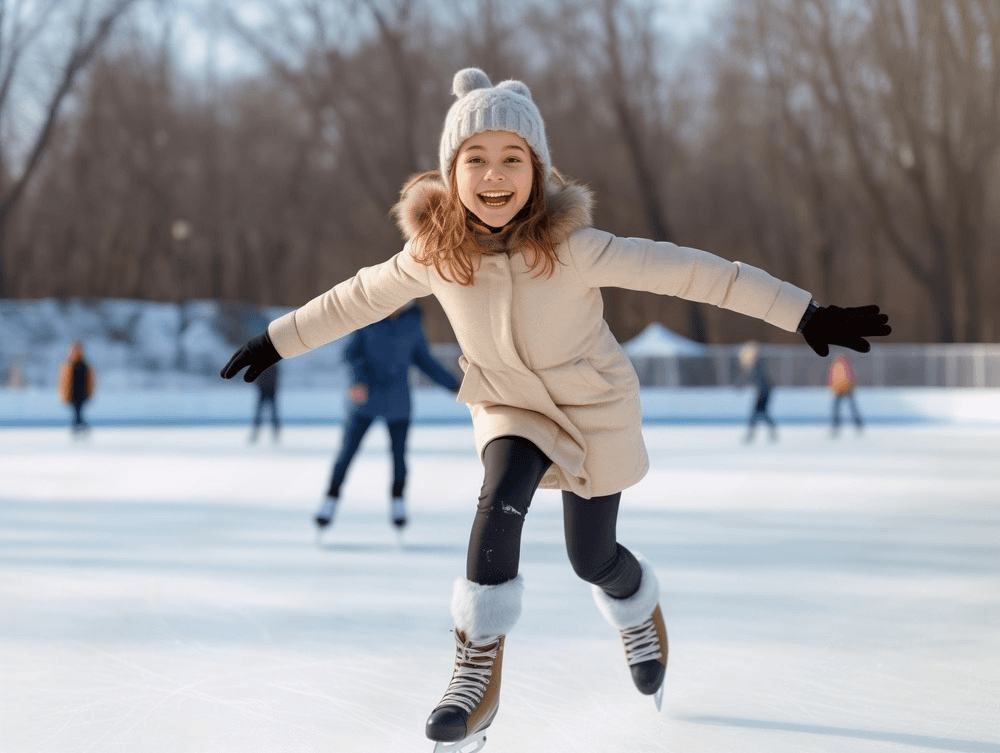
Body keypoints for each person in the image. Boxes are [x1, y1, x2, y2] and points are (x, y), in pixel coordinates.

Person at [221, 68, 891, 750]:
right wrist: (277, 340)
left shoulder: (575, 247)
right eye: (475, 159)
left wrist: (805, 312)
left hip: (592, 406)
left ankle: (637, 608)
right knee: (499, 494)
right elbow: (355, 297)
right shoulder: (435, 254)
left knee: (590, 556)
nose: (494, 175)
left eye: (513, 158)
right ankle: (473, 673)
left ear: (537, 170)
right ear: (451, 171)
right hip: (510, 403)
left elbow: (698, 271)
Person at [314, 302, 460, 532]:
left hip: (398, 402)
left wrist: (454, 385)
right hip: (365, 401)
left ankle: (398, 500)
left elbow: (424, 360)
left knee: (399, 457)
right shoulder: (367, 318)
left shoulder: (412, 324)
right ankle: (330, 498)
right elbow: (351, 355)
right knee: (347, 453)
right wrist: (358, 380)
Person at [736, 341, 777, 442]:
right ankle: (769, 433)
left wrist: (740, 385)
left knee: (759, 412)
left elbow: (752, 376)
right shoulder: (758, 362)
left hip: (764, 390)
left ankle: (752, 435)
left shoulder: (757, 363)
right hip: (764, 390)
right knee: (761, 413)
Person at [58, 342, 95, 435]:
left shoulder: (82, 365)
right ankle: (79, 428)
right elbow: (64, 381)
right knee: (77, 413)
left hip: (80, 394)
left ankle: (78, 428)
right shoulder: (70, 365)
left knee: (78, 413)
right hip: (74, 394)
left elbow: (90, 380)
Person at [827, 353, 864, 435]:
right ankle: (857, 425)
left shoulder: (837, 366)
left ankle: (857, 425)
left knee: (847, 409)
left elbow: (831, 377)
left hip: (843, 389)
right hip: (843, 389)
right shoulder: (845, 365)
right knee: (841, 409)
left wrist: (831, 387)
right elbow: (852, 377)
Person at [249, 362, 281, 442]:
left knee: (273, 416)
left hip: (270, 393)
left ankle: (275, 435)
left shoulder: (273, 366)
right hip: (264, 393)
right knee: (259, 416)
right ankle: (255, 435)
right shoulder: (263, 366)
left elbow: (276, 380)